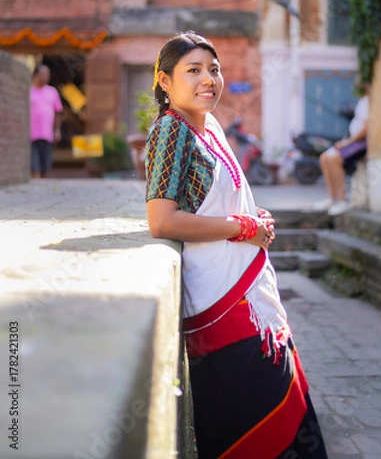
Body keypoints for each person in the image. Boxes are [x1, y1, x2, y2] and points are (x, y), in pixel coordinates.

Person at [145, 31, 328, 459]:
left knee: (279, 409)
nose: (208, 79)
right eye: (193, 70)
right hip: (223, 312)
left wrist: (253, 216)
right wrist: (242, 228)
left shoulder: (207, 126)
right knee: (252, 419)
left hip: (251, 303)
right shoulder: (172, 131)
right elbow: (162, 220)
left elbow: (224, 198)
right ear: (165, 80)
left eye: (214, 69)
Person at [317, 77, 369, 217]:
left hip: (361, 142)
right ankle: (332, 198)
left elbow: (365, 128)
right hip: (352, 140)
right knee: (324, 157)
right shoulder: (363, 100)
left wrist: (348, 142)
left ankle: (342, 200)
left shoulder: (370, 101)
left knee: (334, 159)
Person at [30, 64, 63, 178]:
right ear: (35, 75)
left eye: (48, 74)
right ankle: (36, 186)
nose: (46, 76)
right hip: (31, 135)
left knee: (45, 165)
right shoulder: (28, 91)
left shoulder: (52, 92)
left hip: (47, 134)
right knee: (34, 165)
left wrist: (57, 130)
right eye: (43, 74)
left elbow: (57, 113)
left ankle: (42, 188)